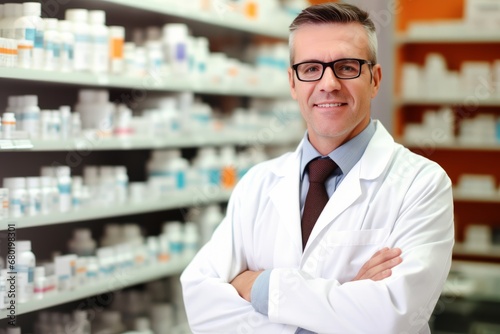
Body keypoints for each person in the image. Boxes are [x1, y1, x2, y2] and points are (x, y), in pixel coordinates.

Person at [180, 3, 454, 333]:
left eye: (346, 66)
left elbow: (392, 317)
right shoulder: (257, 184)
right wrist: (346, 301)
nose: (328, 83)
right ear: (293, 83)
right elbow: (202, 305)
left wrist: (260, 287)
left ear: (375, 79)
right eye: (310, 69)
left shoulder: (421, 184)